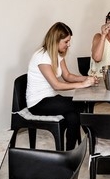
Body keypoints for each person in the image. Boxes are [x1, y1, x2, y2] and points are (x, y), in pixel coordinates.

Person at [27, 22, 96, 150]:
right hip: (38, 103)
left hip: (51, 98)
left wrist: (87, 78)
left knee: (73, 116)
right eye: (66, 41)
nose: (68, 44)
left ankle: (70, 152)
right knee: (80, 105)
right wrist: (82, 84)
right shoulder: (42, 56)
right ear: (56, 40)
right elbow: (56, 85)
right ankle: (93, 137)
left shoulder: (57, 54)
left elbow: (67, 76)